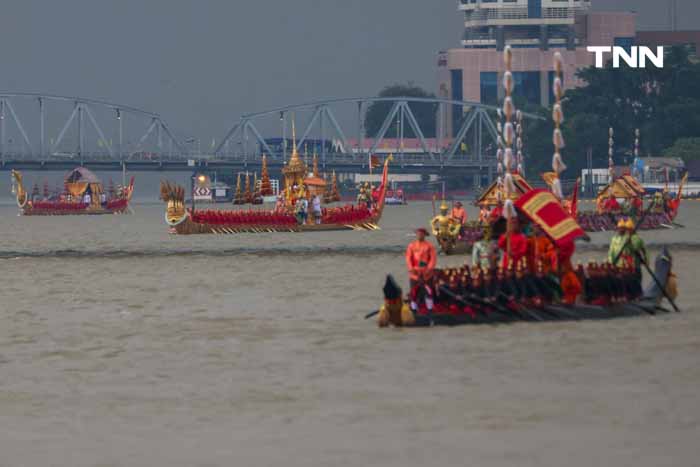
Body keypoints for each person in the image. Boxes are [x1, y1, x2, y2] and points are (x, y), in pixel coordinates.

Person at [405, 228, 437, 313]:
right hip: (414, 274)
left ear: (425, 235)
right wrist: (411, 269)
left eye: (421, 234)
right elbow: (408, 258)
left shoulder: (429, 246)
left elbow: (433, 259)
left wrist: (429, 269)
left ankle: (430, 310)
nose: (419, 235)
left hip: (427, 274)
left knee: (428, 292)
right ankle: (414, 310)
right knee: (414, 293)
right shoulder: (411, 246)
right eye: (418, 233)